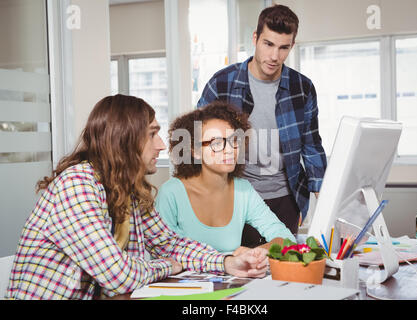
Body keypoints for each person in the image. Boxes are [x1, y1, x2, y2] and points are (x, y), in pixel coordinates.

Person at [5, 94, 268, 300]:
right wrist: (168, 266)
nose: (162, 145)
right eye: (152, 134)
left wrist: (227, 262)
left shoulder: (127, 188)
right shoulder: (77, 185)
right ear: (126, 139)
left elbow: (169, 243)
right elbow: (118, 276)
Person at [197, 4, 327, 248]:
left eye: (283, 47)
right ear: (255, 38)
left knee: (281, 271)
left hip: (285, 198)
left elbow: (311, 144)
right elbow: (197, 139)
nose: (274, 56)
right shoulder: (221, 84)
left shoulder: (302, 88)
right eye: (268, 44)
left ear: (292, 46)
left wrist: (328, 198)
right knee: (238, 270)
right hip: (235, 197)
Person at [155, 101, 296, 255]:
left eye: (234, 141)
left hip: (234, 276)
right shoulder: (171, 193)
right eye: (216, 143)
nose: (229, 150)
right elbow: (163, 251)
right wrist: (225, 262)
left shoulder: (243, 190)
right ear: (194, 151)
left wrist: (253, 253)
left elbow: (285, 238)